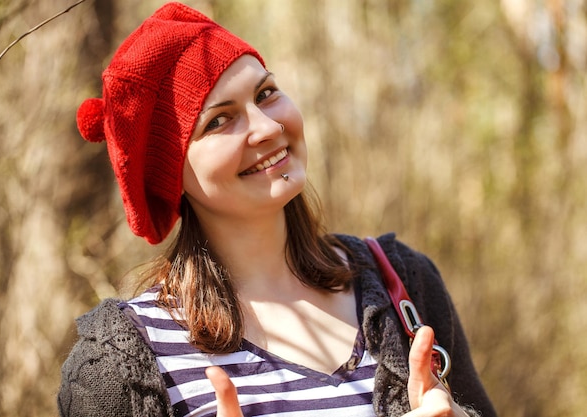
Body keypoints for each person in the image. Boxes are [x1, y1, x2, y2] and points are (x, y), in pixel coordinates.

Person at [58, 2, 497, 417]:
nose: (268, 127)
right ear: (172, 175)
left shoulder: (402, 281)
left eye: (266, 93)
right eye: (219, 120)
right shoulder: (119, 365)